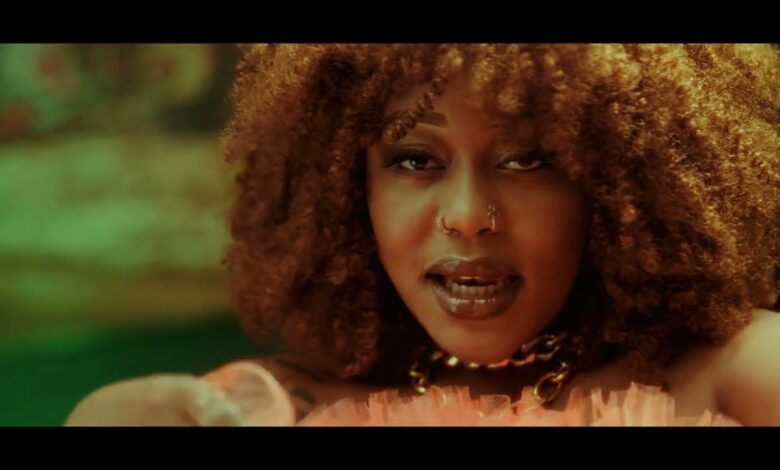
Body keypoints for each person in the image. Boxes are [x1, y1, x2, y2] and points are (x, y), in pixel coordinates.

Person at [66, 44, 780, 426]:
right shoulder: (276, 405)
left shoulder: (736, 373)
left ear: (623, 182)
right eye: (415, 161)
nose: (467, 215)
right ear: (349, 192)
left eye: (527, 160)